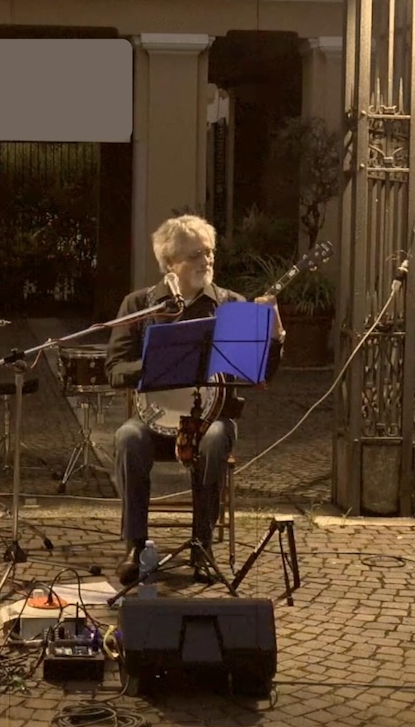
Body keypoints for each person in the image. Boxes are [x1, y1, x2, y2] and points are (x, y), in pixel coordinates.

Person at [104, 215, 285, 586]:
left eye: (210, 252)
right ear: (170, 263)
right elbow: (114, 370)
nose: (207, 261)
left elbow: (259, 373)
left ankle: (202, 546)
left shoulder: (230, 305)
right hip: (155, 422)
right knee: (127, 437)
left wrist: (276, 336)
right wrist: (155, 363)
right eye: (195, 255)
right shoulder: (140, 305)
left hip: (210, 419)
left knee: (216, 438)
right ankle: (135, 545)